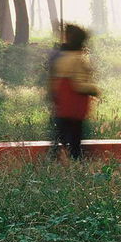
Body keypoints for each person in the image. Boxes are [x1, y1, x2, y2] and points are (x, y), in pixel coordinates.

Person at [48, 24, 99, 161]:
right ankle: (76, 162)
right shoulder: (77, 58)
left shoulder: (61, 56)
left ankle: (55, 161)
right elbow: (78, 84)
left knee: (60, 137)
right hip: (75, 107)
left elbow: (55, 82)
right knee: (75, 140)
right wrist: (94, 89)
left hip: (63, 105)